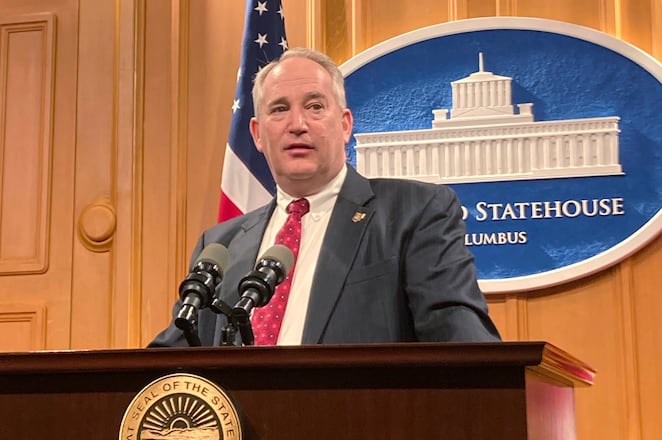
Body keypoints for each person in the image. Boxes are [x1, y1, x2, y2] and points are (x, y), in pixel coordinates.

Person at [150, 47, 500, 347]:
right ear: (257, 134)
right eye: (279, 109)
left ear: (345, 124)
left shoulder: (415, 213)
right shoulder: (221, 245)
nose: (297, 123)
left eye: (315, 106)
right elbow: (176, 354)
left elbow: (458, 337)